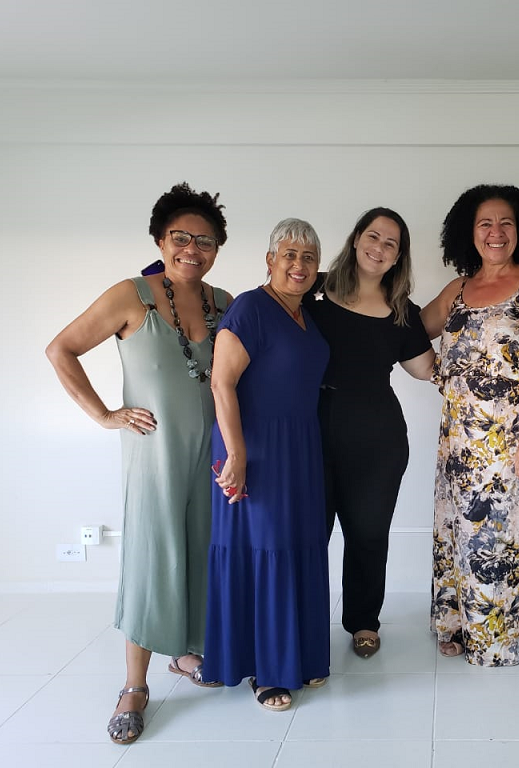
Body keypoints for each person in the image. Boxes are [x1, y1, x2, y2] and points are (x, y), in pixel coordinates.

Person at [45, 182, 231, 744]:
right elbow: (61, 349)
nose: (192, 249)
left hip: (213, 454)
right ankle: (134, 685)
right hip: (154, 455)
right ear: (160, 240)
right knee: (153, 559)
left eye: (205, 240)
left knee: (203, 549)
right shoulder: (130, 296)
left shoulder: (225, 303)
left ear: (217, 249)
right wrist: (105, 414)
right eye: (181, 237)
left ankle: (188, 652)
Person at [421, 184, 519, 666]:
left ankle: (508, 640)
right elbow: (408, 331)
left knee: (507, 539)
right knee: (462, 535)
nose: (496, 232)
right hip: (460, 442)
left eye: (506, 223)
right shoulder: (457, 290)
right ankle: (461, 625)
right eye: (485, 223)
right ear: (470, 232)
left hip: (515, 440)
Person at [203, 218, 330, 711]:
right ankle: (266, 670)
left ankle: (302, 654)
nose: (299, 264)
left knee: (299, 544)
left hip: (299, 445)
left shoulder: (305, 315)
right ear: (270, 260)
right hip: (255, 446)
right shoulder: (250, 308)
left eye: (309, 257)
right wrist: (236, 455)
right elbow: (221, 383)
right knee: (268, 549)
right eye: (290, 254)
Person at [305, 208, 435, 659]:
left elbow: (426, 369)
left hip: (378, 435)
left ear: (398, 257)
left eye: (391, 243)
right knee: (308, 534)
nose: (379, 248)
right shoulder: (312, 290)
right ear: (357, 238)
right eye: (373, 236)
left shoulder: (402, 312)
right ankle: (303, 624)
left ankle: (363, 621)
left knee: (368, 533)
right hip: (310, 427)